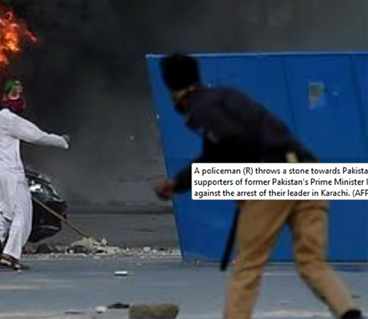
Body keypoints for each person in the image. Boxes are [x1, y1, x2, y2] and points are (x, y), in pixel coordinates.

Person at [154, 53, 363, 319]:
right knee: (312, 262)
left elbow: (230, 140)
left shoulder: (201, 107)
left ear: (172, 86)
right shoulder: (228, 96)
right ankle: (350, 314)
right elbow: (217, 152)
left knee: (248, 266)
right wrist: (179, 183)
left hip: (272, 176)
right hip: (308, 170)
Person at [0, 79, 70, 270]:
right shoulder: (9, 119)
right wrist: (62, 141)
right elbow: (37, 136)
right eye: (14, 94)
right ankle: (10, 255)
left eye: (19, 94)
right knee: (22, 214)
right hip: (10, 173)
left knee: (2, 213)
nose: (18, 98)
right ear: (5, 96)